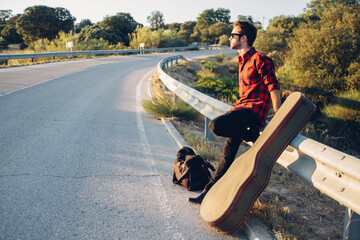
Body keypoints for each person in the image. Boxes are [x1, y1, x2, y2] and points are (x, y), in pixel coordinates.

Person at [188, 21, 281, 204]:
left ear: (244, 38)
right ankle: (209, 193)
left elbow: (273, 87)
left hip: (252, 112)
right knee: (226, 156)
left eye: (233, 35)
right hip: (241, 110)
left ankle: (252, 133)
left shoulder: (261, 59)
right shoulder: (242, 61)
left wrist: (278, 115)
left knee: (215, 125)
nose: (230, 38)